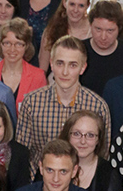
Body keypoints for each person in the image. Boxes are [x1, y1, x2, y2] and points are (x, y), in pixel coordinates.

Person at [17, 34, 111, 176]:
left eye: (73, 65)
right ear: (51, 64)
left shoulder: (98, 107)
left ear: (83, 68)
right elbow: (22, 153)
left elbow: (102, 155)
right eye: (60, 63)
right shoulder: (32, 102)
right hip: (40, 182)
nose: (65, 72)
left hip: (83, 184)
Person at [0, 19, 48, 114]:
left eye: (18, 44)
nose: (12, 49)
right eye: (7, 43)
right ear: (1, 44)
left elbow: (41, 113)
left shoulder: (38, 76)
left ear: (26, 46)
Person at [60, 110, 123, 191]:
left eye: (90, 135)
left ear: (98, 140)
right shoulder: (52, 165)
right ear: (67, 136)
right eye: (77, 134)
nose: (83, 141)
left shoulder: (109, 175)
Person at [81, 1, 123, 98]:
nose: (103, 37)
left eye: (110, 31)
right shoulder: (78, 50)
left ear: (119, 29)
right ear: (90, 25)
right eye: (98, 29)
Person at [38, 0, 92, 73]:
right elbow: (42, 70)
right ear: (64, 2)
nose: (75, 10)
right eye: (72, 4)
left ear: (88, 5)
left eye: (81, 5)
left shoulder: (94, 30)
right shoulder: (51, 31)